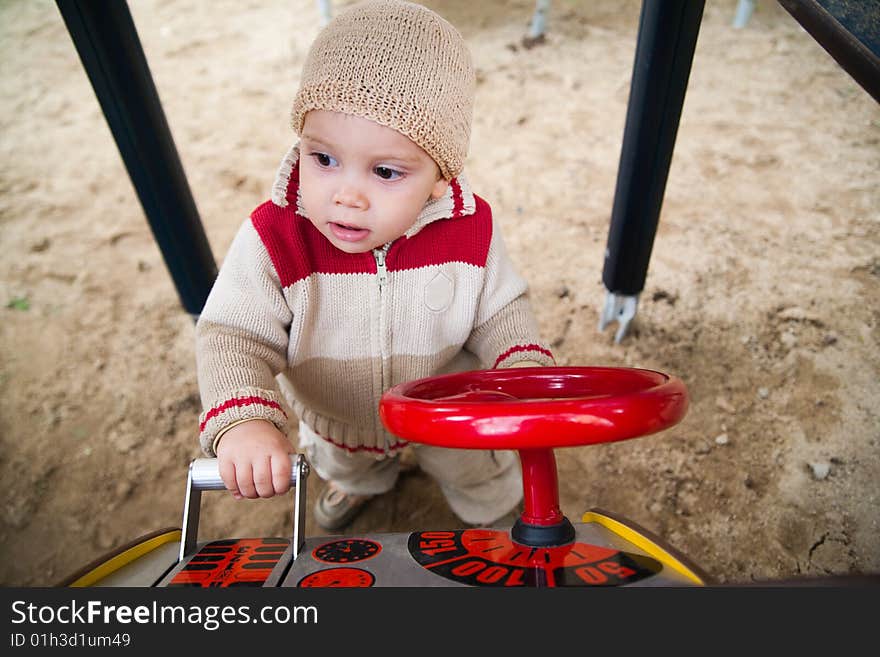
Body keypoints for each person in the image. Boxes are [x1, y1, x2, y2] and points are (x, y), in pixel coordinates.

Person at [195, 0, 555, 532]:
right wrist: (244, 420)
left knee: (479, 469)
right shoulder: (277, 237)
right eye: (324, 159)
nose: (347, 196)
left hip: (448, 409)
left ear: (440, 177)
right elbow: (231, 334)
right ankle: (358, 483)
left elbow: (499, 310)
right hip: (337, 418)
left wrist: (521, 367)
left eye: (385, 171)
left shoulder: (468, 227)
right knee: (346, 461)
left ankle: (495, 512)